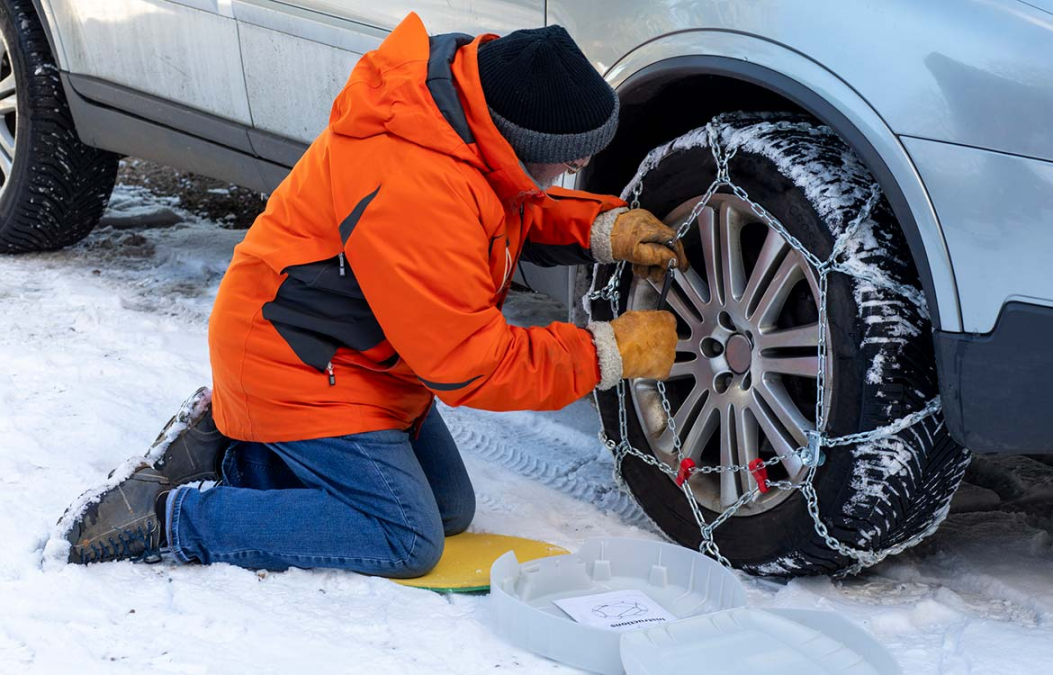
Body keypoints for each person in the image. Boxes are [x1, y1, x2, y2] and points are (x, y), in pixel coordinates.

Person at [62, 13, 687, 575]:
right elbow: (472, 365)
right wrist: (609, 352)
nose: (574, 171)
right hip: (296, 364)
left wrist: (600, 229)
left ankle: (234, 452)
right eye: (568, 160)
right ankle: (171, 516)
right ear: (520, 141)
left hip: (363, 358)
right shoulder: (416, 187)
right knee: (406, 537)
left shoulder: (460, 117)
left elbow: (507, 202)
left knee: (450, 508)